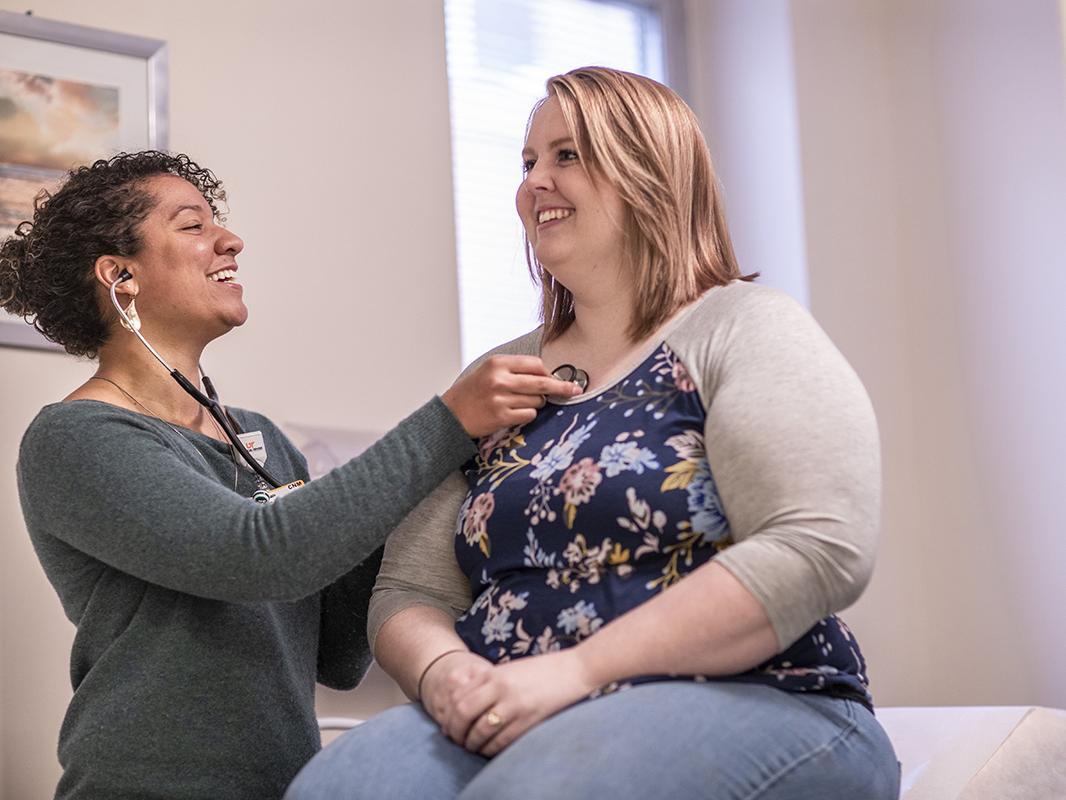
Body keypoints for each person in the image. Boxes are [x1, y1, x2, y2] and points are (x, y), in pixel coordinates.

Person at [284, 67, 901, 800]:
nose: (534, 181)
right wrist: (446, 675)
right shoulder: (497, 376)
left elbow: (818, 546)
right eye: (527, 161)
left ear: (650, 173)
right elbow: (410, 588)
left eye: (567, 155)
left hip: (761, 695)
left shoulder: (743, 329)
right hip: (511, 708)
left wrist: (574, 673)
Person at [0, 150, 582, 800]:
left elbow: (338, 651)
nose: (231, 240)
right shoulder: (74, 439)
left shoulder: (261, 440)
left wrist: (462, 473)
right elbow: (258, 555)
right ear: (121, 275)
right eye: (193, 226)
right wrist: (448, 424)